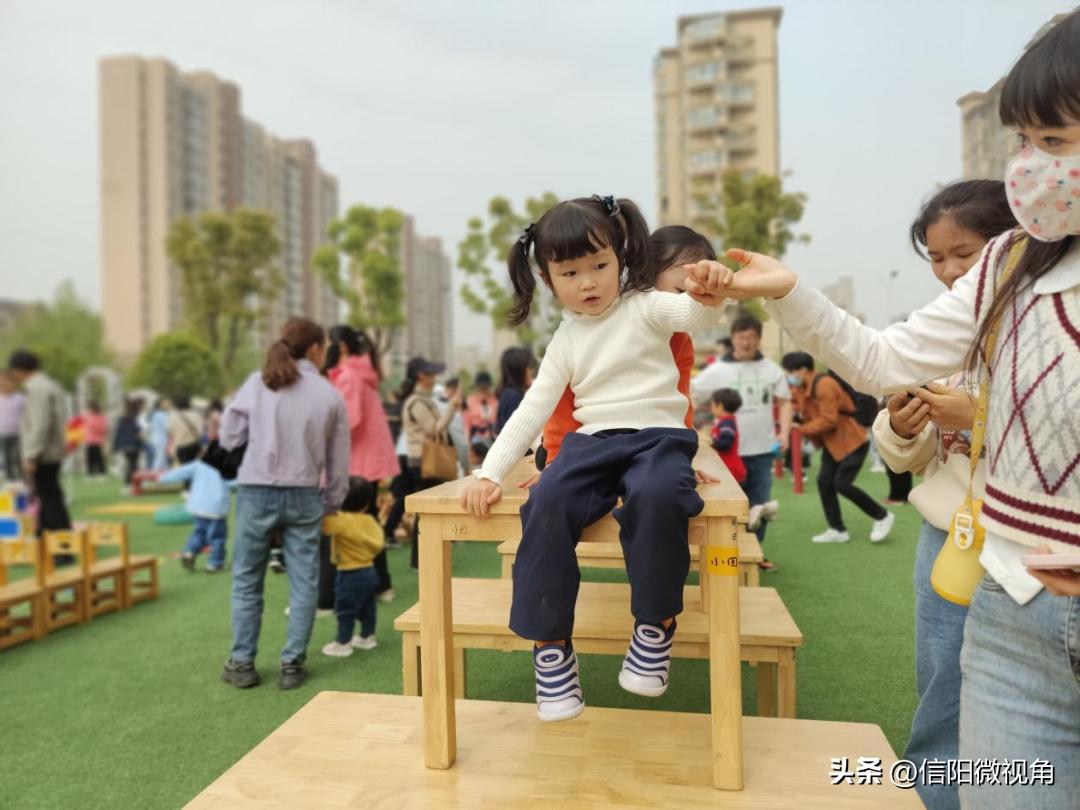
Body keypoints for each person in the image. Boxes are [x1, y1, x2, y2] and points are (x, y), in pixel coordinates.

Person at [713, 14, 1080, 804]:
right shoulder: (1010, 264)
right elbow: (885, 360)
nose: (1030, 168)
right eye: (1022, 141)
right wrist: (793, 294)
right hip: (1009, 606)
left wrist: (971, 416)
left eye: (1054, 141)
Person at [460, 194, 730, 722]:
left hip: (658, 435)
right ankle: (552, 646)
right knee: (547, 503)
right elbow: (533, 408)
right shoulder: (565, 339)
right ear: (547, 279)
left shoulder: (646, 306)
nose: (589, 283)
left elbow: (695, 314)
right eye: (571, 272)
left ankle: (655, 625)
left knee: (658, 494)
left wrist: (711, 289)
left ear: (622, 258)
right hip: (593, 442)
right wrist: (488, 472)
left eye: (600, 266)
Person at [871, 179, 1017, 810]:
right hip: (949, 535)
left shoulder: (1044, 322)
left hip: (1027, 539)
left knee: (1028, 695)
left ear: (1016, 243)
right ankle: (934, 797)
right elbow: (906, 451)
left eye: (966, 252)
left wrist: (976, 416)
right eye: (937, 256)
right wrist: (902, 428)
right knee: (941, 681)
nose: (951, 270)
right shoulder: (936, 333)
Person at [219, 317, 349, 691]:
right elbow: (338, 462)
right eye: (323, 348)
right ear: (313, 349)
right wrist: (332, 502)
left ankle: (242, 661)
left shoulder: (258, 383)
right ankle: (292, 663)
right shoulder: (328, 394)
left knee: (246, 578)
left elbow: (229, 436)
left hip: (256, 489)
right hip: (305, 493)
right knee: (304, 582)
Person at [534, 225, 709, 471]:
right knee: (550, 463)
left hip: (644, 437)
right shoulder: (602, 322)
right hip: (583, 436)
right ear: (646, 275)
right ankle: (544, 449)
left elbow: (679, 399)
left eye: (699, 297)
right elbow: (559, 401)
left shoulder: (679, 338)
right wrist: (556, 460)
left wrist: (681, 459)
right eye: (682, 292)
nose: (689, 304)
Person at [689, 315, 792, 570]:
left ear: (758, 339)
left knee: (759, 505)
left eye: (752, 337)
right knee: (724, 508)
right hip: (725, 455)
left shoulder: (771, 369)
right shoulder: (717, 371)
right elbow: (690, 394)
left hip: (761, 449)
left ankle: (755, 556)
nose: (746, 342)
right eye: (741, 337)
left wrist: (785, 434)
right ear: (733, 338)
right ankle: (724, 557)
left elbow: (785, 401)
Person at [781, 352, 894, 544]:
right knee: (824, 482)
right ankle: (837, 529)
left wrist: (802, 429)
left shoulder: (824, 384)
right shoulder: (802, 387)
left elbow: (829, 419)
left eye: (789, 372)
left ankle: (882, 516)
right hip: (832, 443)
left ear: (802, 370)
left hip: (852, 441)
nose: (788, 376)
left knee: (842, 484)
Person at [324, 325, 399, 604]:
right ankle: (382, 585)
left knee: (346, 524)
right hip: (368, 462)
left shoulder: (349, 376)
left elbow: (349, 420)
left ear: (341, 346)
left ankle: (338, 592)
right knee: (366, 522)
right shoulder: (363, 374)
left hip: (354, 462)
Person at [400, 356, 460, 569]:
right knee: (427, 511)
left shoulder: (420, 400)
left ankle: (423, 558)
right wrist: (452, 408)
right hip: (422, 461)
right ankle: (422, 558)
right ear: (421, 376)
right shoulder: (417, 402)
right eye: (431, 374)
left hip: (422, 459)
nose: (435, 378)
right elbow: (434, 429)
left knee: (426, 511)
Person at [9, 350, 71, 537]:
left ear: (19, 370)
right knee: (47, 498)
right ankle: (43, 538)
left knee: (50, 499)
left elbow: (39, 424)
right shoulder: (51, 385)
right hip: (53, 449)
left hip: (43, 452)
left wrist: (31, 455)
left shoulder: (36, 389)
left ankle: (62, 547)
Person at [320, 480, 385, 657]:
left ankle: (343, 643)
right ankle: (367, 636)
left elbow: (324, 524)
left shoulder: (340, 520)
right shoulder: (369, 520)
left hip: (349, 573)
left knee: (345, 610)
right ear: (366, 503)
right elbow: (379, 544)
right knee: (367, 606)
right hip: (369, 570)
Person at [161, 454, 233, 573]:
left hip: (197, 505)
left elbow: (181, 472)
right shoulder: (227, 465)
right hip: (216, 506)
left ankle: (189, 551)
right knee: (217, 536)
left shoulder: (199, 464)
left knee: (199, 531)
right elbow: (235, 481)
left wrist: (162, 477)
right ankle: (215, 563)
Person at [709, 388, 747, 485]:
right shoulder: (725, 421)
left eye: (712, 405)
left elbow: (725, 444)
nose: (711, 408)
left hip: (730, 470)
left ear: (720, 406)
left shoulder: (727, 423)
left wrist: (710, 442)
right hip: (728, 468)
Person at [495, 347, 534, 435]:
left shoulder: (507, 393)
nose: (532, 371)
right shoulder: (514, 397)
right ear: (518, 370)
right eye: (528, 367)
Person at [0, 370, 26, 481]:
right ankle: (11, 484)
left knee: (19, 460)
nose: (3, 383)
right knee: (7, 461)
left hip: (19, 435)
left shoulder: (21, 399)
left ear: (13, 382)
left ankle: (24, 484)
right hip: (3, 434)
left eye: (6, 380)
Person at [112, 398, 143, 489]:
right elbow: (139, 431)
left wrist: (116, 446)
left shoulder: (123, 418)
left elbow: (118, 433)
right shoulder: (137, 418)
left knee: (130, 464)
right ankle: (132, 483)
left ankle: (129, 483)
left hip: (125, 445)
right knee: (134, 465)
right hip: (134, 444)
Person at [463, 371, 498, 447]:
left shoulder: (495, 401)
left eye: (485, 386)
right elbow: (466, 424)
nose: (483, 389)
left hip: (493, 438)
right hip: (477, 439)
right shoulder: (470, 401)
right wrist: (467, 441)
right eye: (481, 386)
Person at [168, 395, 203, 464]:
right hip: (193, 446)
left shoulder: (173, 416)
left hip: (179, 446)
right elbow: (200, 432)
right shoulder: (196, 415)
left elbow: (169, 431)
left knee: (181, 469)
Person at [81, 401, 109, 479]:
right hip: (89, 440)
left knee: (99, 457)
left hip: (98, 440)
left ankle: (102, 473)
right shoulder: (87, 416)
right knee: (90, 457)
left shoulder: (101, 417)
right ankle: (90, 473)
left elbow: (104, 428)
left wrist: (97, 429)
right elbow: (83, 425)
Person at [149, 400, 169, 471]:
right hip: (161, 439)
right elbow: (167, 428)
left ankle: (165, 473)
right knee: (160, 458)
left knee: (161, 457)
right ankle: (154, 473)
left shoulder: (155, 414)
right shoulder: (162, 415)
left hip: (155, 438)